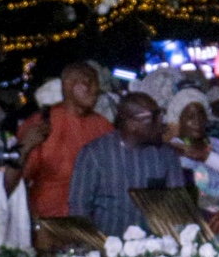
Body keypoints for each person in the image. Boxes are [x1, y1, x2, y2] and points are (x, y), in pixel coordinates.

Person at [69, 90, 185, 238]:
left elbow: (177, 208)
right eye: (154, 117)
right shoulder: (95, 154)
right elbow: (79, 208)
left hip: (155, 246)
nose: (161, 123)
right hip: (107, 245)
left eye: (160, 115)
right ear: (132, 123)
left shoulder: (167, 155)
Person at [22, 62, 114, 225]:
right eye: (88, 83)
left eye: (96, 84)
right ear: (68, 85)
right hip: (47, 222)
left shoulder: (104, 126)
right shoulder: (41, 124)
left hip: (90, 223)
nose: (95, 90)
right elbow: (21, 179)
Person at [165, 87, 219, 227]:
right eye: (190, 117)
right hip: (198, 221)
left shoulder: (217, 145)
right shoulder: (175, 150)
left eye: (201, 114)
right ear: (178, 119)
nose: (197, 121)